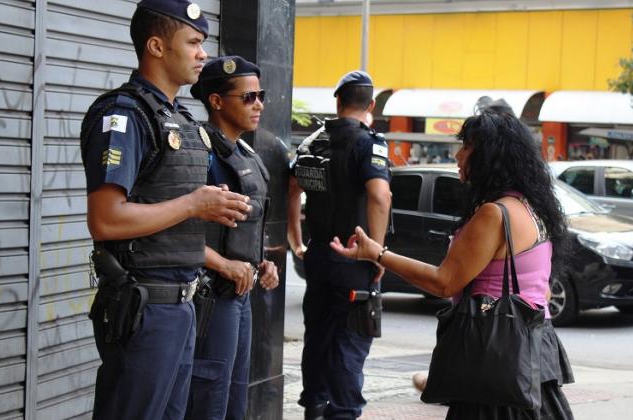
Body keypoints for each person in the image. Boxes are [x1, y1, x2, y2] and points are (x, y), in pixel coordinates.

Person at [330, 108, 575, 420]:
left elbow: (443, 282)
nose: (458, 155)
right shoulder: (530, 208)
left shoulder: (495, 214)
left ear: (490, 156)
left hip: (497, 368)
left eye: (467, 146)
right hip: (528, 363)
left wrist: (377, 254)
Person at [79, 2, 253, 419]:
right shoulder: (124, 115)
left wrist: (209, 207)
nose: (202, 54)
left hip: (182, 306)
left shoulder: (179, 119)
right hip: (144, 311)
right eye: (193, 42)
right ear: (156, 46)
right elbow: (106, 218)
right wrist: (195, 203)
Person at [287, 70, 392, 419]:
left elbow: (292, 191)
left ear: (338, 102)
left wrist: (297, 243)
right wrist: (376, 251)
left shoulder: (313, 141)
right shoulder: (369, 143)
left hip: (317, 255)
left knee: (318, 334)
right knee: (350, 339)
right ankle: (343, 413)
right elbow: (379, 195)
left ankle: (314, 407)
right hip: (353, 257)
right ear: (371, 104)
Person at [185, 56, 280, 420]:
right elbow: (172, 227)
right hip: (210, 296)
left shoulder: (246, 154)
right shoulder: (198, 152)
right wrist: (223, 264)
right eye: (249, 97)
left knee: (233, 403)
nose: (259, 104)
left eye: (261, 95)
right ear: (217, 101)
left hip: (241, 296)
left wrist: (262, 263)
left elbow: (243, 229)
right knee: (207, 401)